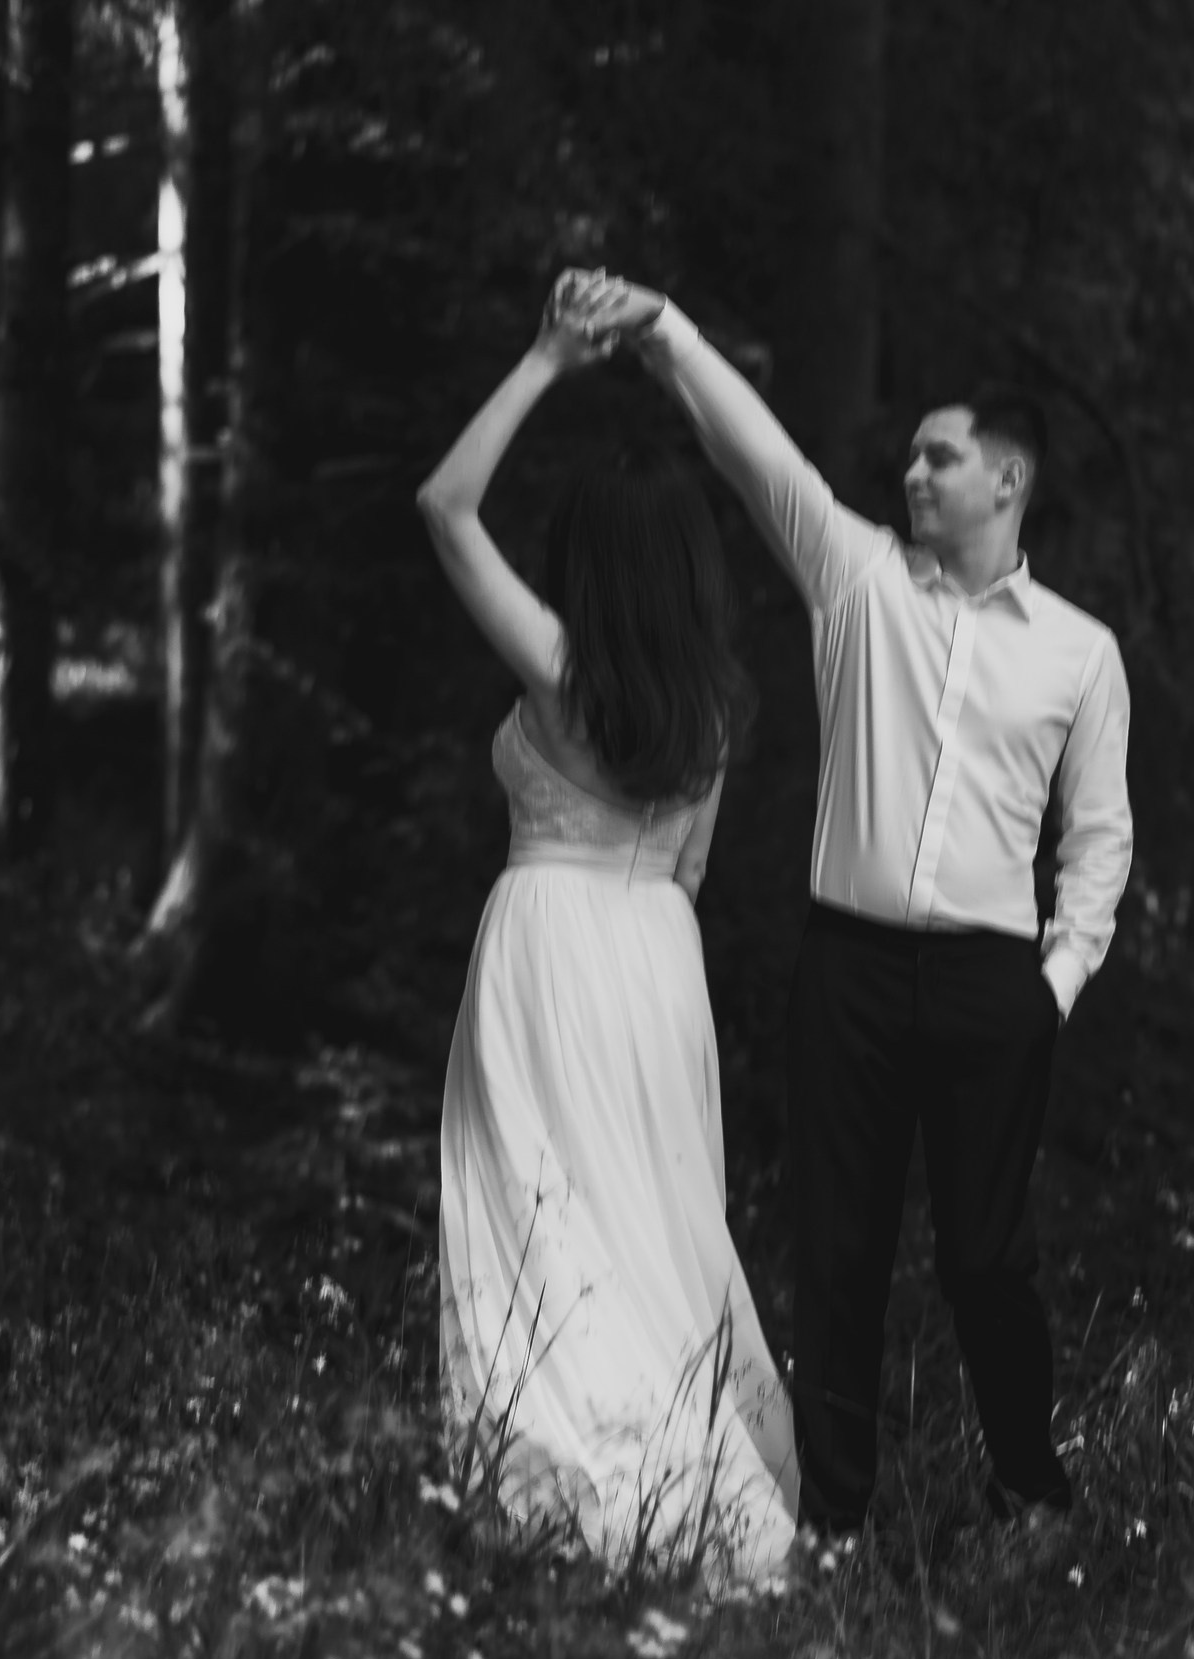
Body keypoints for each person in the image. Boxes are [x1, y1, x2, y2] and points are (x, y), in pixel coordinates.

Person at [589, 272, 1134, 1535]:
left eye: (939, 459)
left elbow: (1098, 840)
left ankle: (1029, 1495)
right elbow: (753, 451)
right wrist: (662, 326)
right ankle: (833, 1525)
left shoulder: (1079, 651)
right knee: (836, 1256)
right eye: (908, 461)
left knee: (986, 1260)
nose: (914, 476)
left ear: (1008, 481)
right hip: (847, 972)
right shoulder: (856, 582)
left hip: (993, 986)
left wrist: (1051, 986)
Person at [414, 274, 797, 1585]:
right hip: (655, 963)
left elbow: (444, 507)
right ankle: (668, 1486)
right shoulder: (715, 711)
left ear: (585, 555)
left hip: (549, 948)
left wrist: (543, 359)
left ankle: (569, 1496)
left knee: (542, 1217)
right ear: (688, 568)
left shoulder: (560, 664)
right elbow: (686, 866)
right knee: (654, 1219)